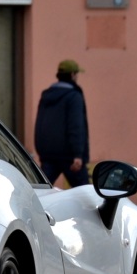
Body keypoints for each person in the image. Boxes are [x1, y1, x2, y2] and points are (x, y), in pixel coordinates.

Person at [34, 59, 90, 187]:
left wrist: (41, 151)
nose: (77, 77)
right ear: (72, 75)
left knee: (39, 191)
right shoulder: (74, 96)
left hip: (48, 154)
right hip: (69, 156)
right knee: (86, 194)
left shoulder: (46, 95)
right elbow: (75, 126)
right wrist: (78, 154)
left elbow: (40, 124)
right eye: (77, 74)